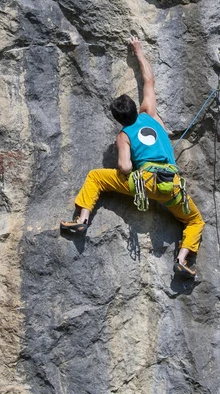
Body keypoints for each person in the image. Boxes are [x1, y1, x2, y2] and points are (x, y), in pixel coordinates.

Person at [60, 36, 205, 278]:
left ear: (117, 119)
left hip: (145, 183)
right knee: (195, 221)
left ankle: (82, 218)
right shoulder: (150, 114)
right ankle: (182, 259)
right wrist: (138, 51)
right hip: (172, 186)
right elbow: (149, 80)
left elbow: (125, 167)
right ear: (136, 108)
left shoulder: (124, 135)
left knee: (96, 177)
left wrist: (126, 157)